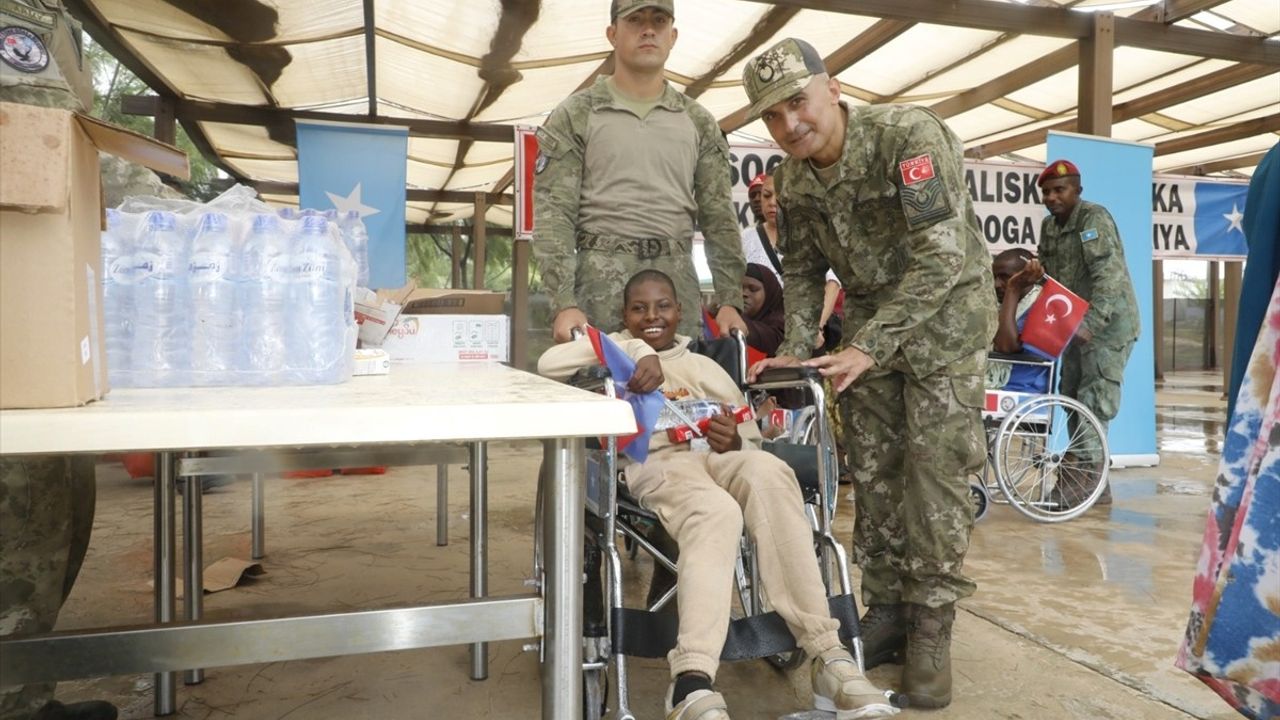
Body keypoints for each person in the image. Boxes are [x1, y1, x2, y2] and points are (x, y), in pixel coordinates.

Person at [743, 38, 996, 709]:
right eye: (771, 115)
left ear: (832, 87)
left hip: (945, 326)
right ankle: (886, 611)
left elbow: (942, 258)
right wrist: (797, 347)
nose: (789, 123)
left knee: (934, 473)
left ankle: (933, 627)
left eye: (797, 100)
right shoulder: (793, 179)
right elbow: (799, 271)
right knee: (877, 472)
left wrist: (869, 344)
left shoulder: (906, 138)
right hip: (868, 335)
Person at [539, 270, 897, 720]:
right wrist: (636, 351)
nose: (652, 316)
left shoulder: (705, 365)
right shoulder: (610, 351)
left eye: (663, 306)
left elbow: (747, 430)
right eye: (639, 308)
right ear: (624, 316)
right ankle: (691, 679)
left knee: (769, 471)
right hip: (659, 463)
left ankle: (829, 656)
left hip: (719, 455)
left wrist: (737, 438)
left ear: (680, 311)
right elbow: (547, 364)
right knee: (716, 512)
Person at [1, 3, 120, 718]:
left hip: (39, 334)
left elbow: (70, 156)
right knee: (23, 523)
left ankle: (26, 693)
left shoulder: (49, 16)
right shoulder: (20, 18)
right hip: (20, 336)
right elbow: (32, 153)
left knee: (60, 507)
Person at [533, 0, 747, 343]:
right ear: (612, 34)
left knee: (681, 390)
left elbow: (719, 217)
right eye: (635, 20)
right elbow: (554, 215)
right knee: (603, 391)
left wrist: (729, 300)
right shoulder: (576, 114)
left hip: (676, 284)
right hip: (600, 285)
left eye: (659, 21)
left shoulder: (698, 121)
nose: (649, 29)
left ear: (673, 35)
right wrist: (563, 303)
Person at [1036, 159, 1140, 507]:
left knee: (1094, 398)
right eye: (1047, 192)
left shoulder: (1093, 218)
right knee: (1071, 394)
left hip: (1108, 327)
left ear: (1077, 191)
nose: (1052, 197)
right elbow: (1048, 278)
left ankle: (1080, 478)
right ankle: (1097, 486)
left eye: (1059, 190)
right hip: (1073, 327)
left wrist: (1092, 324)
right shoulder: (1049, 228)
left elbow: (1108, 276)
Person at [739, 173, 842, 352]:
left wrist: (815, 327)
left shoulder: (814, 235)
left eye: (779, 195)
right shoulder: (745, 239)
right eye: (767, 195)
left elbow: (832, 284)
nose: (772, 202)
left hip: (807, 329)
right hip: (762, 335)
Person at [985, 249, 1048, 392]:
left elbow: (1005, 347)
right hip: (992, 386)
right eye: (994, 277)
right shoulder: (995, 305)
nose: (996, 284)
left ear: (1028, 278)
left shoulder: (1044, 308)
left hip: (1022, 390)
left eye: (1004, 277)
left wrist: (1013, 288)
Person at [741, 263, 786, 357]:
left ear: (769, 292)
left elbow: (769, 340)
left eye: (753, 289)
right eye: (739, 288)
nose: (744, 294)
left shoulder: (784, 323)